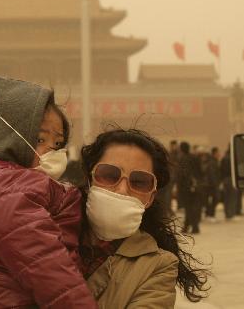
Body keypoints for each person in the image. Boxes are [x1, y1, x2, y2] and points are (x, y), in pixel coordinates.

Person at [0, 77, 98, 308]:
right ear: (8, 135)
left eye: (58, 143)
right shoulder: (5, 187)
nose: (52, 150)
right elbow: (45, 265)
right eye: (40, 139)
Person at [79, 128, 211, 308]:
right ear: (89, 179)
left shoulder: (158, 266)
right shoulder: (45, 229)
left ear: (150, 197)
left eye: (139, 181)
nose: (122, 189)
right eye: (109, 175)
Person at [177, 142, 202, 234]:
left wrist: (179, 185)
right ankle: (186, 226)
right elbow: (200, 171)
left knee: (189, 207)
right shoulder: (195, 157)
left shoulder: (183, 159)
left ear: (182, 149)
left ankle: (195, 227)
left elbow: (183, 174)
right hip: (196, 186)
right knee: (192, 206)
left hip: (187, 187)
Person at [205, 147, 221, 222]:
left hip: (213, 184)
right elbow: (212, 175)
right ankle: (210, 215)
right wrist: (215, 184)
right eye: (218, 152)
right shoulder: (212, 162)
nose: (219, 154)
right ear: (215, 153)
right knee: (214, 199)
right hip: (212, 185)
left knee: (214, 199)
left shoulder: (214, 161)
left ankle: (210, 214)